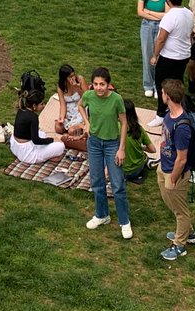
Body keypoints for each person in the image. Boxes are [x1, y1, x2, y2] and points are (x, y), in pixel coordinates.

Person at [78, 67, 132, 240]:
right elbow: (80, 106)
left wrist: (121, 148)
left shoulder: (116, 100)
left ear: (108, 85)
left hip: (112, 144)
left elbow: (124, 123)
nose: (99, 88)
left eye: (102, 84)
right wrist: (86, 123)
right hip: (93, 143)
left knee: (117, 185)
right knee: (97, 181)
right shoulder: (88, 96)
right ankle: (102, 215)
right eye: (95, 84)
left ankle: (124, 221)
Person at [156, 78, 195, 261]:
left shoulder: (182, 127)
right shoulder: (169, 115)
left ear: (168, 96)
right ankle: (188, 233)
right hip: (163, 166)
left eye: (163, 92)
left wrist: (173, 178)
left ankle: (180, 245)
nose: (161, 95)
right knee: (174, 205)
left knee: (181, 211)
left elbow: (181, 159)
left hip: (174, 173)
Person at [148, 0, 194, 126]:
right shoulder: (188, 13)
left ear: (168, 0)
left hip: (170, 57)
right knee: (177, 83)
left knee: (162, 83)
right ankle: (178, 110)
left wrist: (155, 55)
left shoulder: (170, 16)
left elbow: (161, 39)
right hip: (184, 55)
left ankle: (161, 114)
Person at [9, 88, 65, 165]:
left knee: (42, 133)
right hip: (27, 154)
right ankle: (49, 156)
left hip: (15, 146)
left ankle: (48, 153)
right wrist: (52, 140)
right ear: (34, 105)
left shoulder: (21, 109)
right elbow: (36, 140)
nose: (44, 106)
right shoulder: (33, 117)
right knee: (61, 146)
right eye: (41, 104)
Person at [136, 0, 166, 99]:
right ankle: (148, 85)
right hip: (146, 26)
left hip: (161, 26)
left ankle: (157, 85)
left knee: (158, 55)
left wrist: (149, 11)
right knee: (147, 55)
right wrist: (154, 15)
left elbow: (167, 14)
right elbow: (140, 12)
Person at [122, 98, 156, 184]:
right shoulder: (139, 129)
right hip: (137, 170)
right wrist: (141, 148)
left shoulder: (114, 127)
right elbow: (153, 150)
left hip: (120, 171)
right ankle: (147, 161)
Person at [54, 64, 88, 136]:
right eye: (70, 77)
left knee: (71, 131)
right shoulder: (61, 86)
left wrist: (77, 87)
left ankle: (83, 126)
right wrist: (62, 117)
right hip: (69, 111)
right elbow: (62, 104)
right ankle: (73, 126)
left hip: (81, 108)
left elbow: (87, 97)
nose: (73, 78)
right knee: (58, 128)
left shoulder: (80, 80)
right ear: (64, 78)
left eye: (73, 75)